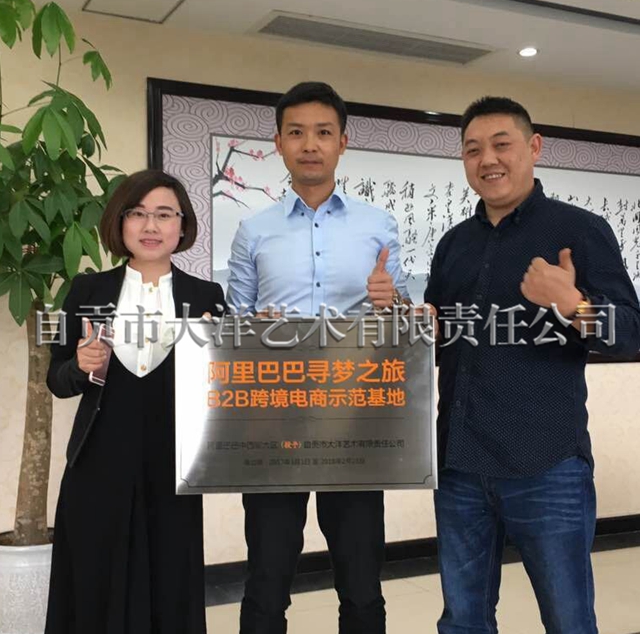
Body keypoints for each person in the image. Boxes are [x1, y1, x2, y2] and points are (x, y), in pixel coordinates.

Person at [424, 96, 640, 634]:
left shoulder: (579, 231)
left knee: (568, 620)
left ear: (534, 147)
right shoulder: (453, 245)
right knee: (462, 620)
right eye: (473, 149)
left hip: (547, 464)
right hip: (460, 462)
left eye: (501, 144)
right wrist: (414, 326)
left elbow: (631, 332)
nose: (488, 160)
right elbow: (441, 339)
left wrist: (575, 305)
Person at [227, 81, 408, 634]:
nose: (310, 144)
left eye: (323, 132)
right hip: (273, 422)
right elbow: (232, 328)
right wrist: (250, 329)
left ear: (342, 142)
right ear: (278, 143)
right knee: (266, 579)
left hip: (354, 421)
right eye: (297, 132)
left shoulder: (378, 225)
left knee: (361, 582)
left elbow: (405, 327)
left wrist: (393, 302)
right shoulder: (253, 230)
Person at [45, 169, 226, 634]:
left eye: (164, 215)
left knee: (169, 580)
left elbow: (224, 391)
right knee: (94, 579)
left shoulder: (205, 296)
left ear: (182, 226)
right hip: (98, 462)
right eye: (138, 213)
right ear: (119, 222)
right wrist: (80, 365)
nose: (150, 226)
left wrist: (215, 356)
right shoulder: (88, 291)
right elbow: (57, 380)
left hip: (173, 465)